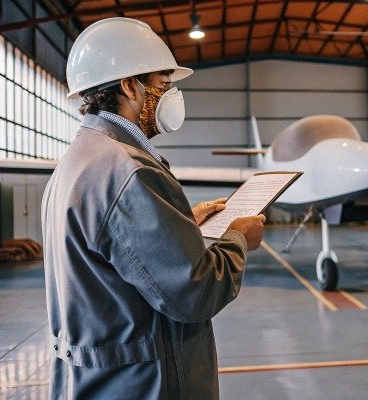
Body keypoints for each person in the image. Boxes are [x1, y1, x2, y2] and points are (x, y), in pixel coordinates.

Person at [42, 17, 265, 399]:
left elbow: (111, 246)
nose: (170, 94)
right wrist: (237, 239)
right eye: (164, 82)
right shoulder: (129, 169)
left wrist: (179, 224)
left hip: (98, 382)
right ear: (131, 86)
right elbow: (195, 293)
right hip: (144, 384)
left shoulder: (78, 161)